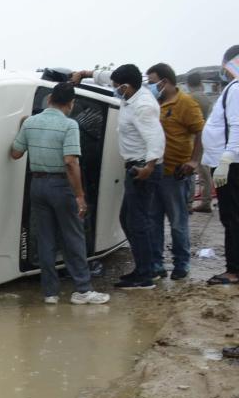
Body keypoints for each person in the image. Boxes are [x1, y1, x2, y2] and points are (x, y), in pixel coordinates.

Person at [10, 82, 110, 304]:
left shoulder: (31, 123)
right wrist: (80, 196)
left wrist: (22, 127)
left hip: (37, 186)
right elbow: (71, 162)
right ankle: (83, 290)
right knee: (73, 237)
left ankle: (50, 293)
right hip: (61, 186)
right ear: (71, 104)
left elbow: (15, 153)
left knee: (45, 239)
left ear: (49, 100)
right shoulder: (70, 125)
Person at [72, 64, 165, 289]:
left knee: (137, 221)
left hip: (143, 169)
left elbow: (156, 139)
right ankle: (149, 267)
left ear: (126, 87)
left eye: (116, 87)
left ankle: (146, 274)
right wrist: (85, 74)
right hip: (135, 166)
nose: (114, 89)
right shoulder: (130, 93)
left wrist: (148, 167)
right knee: (128, 219)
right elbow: (105, 78)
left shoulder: (143, 106)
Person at [145, 63, 204, 280]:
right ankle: (156, 264)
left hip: (176, 174)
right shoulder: (153, 103)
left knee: (178, 223)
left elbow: (200, 132)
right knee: (153, 222)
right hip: (155, 172)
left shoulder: (186, 103)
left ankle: (182, 263)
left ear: (165, 82)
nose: (150, 86)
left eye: (152, 82)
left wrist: (194, 161)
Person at [202, 45, 239, 285]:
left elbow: (236, 125)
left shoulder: (235, 89)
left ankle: (233, 270)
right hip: (229, 161)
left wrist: (225, 160)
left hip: (230, 165)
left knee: (231, 217)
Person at [187, 72, 216, 213]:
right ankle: (206, 200)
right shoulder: (207, 99)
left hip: (192, 137)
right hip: (206, 136)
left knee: (192, 171)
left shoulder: (189, 98)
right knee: (205, 171)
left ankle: (189, 203)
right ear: (201, 84)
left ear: (188, 84)